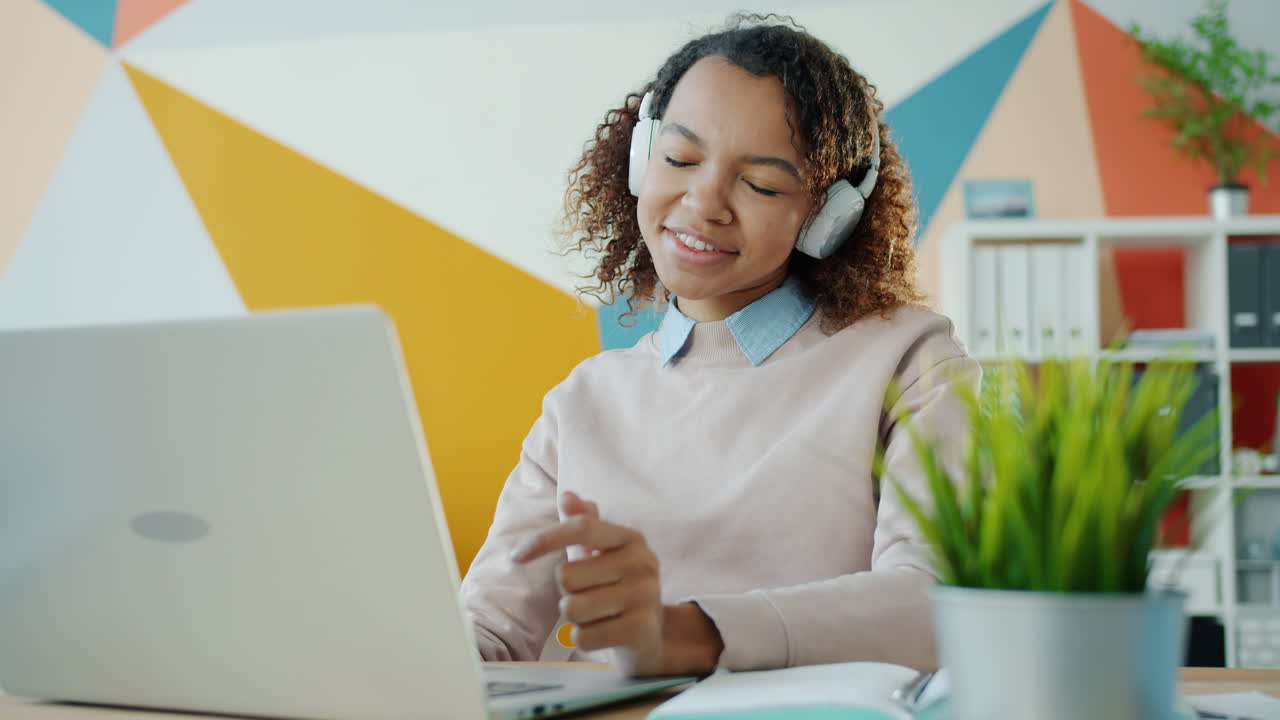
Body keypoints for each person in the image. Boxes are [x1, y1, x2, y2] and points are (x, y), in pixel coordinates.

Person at [460, 14, 979, 677]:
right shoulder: (584, 402)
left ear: (828, 216)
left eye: (760, 184)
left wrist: (683, 633)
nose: (704, 202)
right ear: (642, 158)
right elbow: (486, 630)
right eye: (679, 158)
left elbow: (939, 604)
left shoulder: (909, 360)